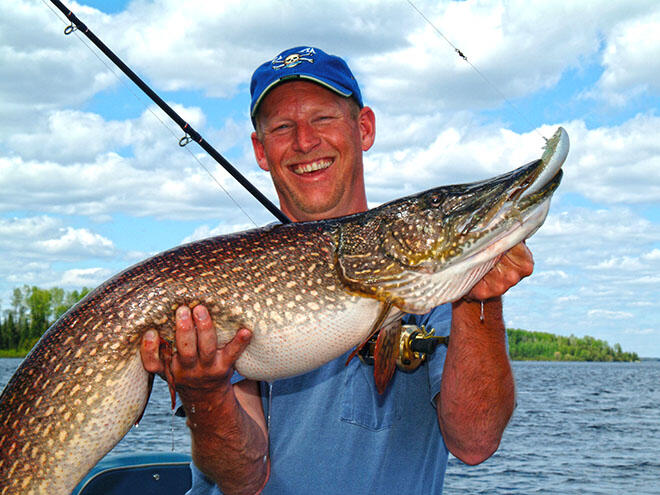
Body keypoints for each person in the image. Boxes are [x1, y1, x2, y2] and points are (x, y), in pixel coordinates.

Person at [141, 46, 531, 494]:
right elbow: (242, 477)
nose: (305, 141)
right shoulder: (227, 281)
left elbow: (475, 442)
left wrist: (482, 299)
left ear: (363, 128)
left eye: (323, 118)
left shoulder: (435, 284)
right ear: (261, 150)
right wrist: (205, 393)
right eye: (283, 127)